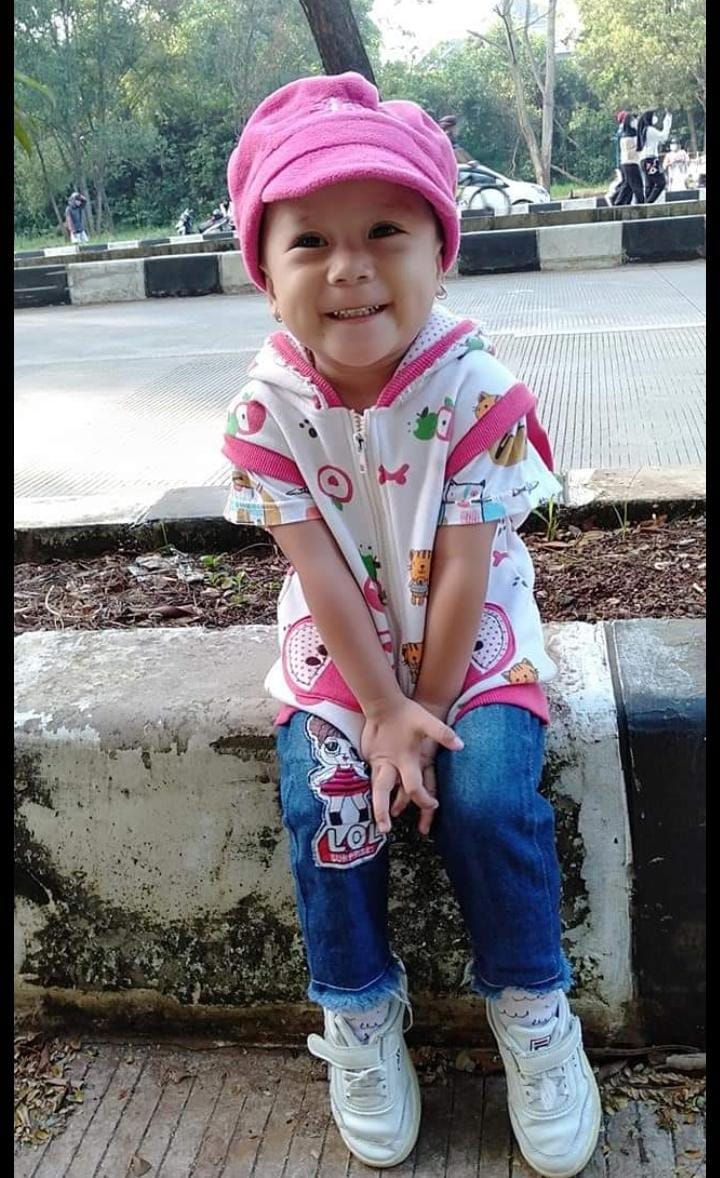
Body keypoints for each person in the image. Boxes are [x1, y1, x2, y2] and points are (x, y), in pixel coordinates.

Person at [221, 71, 602, 1177]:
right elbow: (317, 571)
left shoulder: (473, 386)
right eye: (309, 242)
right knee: (329, 795)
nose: (349, 267)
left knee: (483, 791)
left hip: (462, 638)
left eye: (385, 230)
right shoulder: (267, 406)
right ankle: (357, 1011)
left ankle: (534, 1011)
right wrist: (377, 709)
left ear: (441, 248)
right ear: (265, 268)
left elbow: (470, 569)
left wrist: (425, 706)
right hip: (344, 652)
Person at [637, 108, 673, 202]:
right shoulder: (650, 130)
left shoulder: (644, 130)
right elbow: (663, 137)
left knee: (649, 185)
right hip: (650, 160)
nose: (655, 118)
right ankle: (649, 203)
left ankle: (647, 205)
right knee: (661, 182)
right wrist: (668, 119)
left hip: (644, 160)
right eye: (654, 116)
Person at [617, 113, 645, 205]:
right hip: (631, 163)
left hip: (626, 163)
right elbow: (638, 148)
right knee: (637, 185)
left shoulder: (624, 135)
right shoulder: (631, 137)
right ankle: (642, 204)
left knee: (627, 185)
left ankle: (619, 203)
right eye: (633, 120)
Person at [608, 110, 629, 205]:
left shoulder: (621, 131)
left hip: (622, 161)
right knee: (625, 182)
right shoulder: (623, 131)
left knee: (627, 182)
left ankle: (621, 201)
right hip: (623, 161)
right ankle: (613, 196)